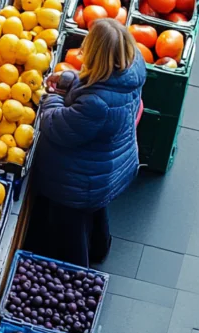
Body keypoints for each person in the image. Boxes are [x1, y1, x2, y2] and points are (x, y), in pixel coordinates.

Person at [24, 18, 145, 267]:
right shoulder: (131, 65)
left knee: (70, 229)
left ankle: (77, 273)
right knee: (96, 209)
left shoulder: (96, 104)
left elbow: (58, 127)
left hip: (80, 180)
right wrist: (70, 79)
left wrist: (49, 99)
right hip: (110, 165)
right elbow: (97, 82)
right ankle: (100, 247)